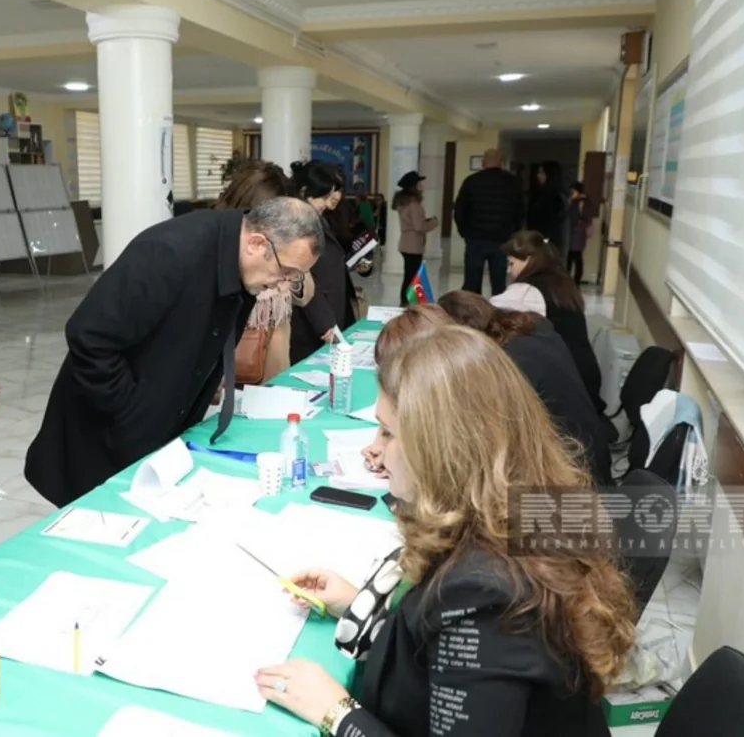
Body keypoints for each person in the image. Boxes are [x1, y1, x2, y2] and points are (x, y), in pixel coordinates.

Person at [256, 325, 635, 736]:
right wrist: (355, 603)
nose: (376, 449)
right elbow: (438, 646)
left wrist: (336, 711)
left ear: (440, 448)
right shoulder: (508, 515)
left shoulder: (485, 593)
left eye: (388, 432)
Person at [24, 198, 324, 507]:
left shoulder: (240, 265)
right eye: (286, 271)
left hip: (159, 441)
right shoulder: (169, 253)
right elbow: (88, 336)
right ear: (257, 244)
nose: (284, 285)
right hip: (100, 441)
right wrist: (132, 413)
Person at [437, 291, 612, 486]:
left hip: (577, 478)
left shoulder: (511, 365)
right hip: (590, 455)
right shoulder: (533, 329)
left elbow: (489, 442)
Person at [215, 160, 315, 381]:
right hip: (226, 370)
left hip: (275, 364)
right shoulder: (222, 245)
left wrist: (292, 273)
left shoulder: (286, 246)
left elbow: (305, 296)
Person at [506, 230, 604, 413]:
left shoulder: (528, 291)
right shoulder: (563, 283)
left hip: (565, 388)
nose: (508, 271)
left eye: (511, 263)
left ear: (528, 259)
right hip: (586, 376)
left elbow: (491, 311)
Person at [288, 160, 358, 364]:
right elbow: (301, 279)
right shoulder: (298, 223)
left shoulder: (322, 217)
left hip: (328, 314)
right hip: (309, 324)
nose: (331, 201)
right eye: (325, 196)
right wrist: (326, 324)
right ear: (304, 192)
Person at [453, 148, 523, 296]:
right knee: (499, 282)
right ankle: (498, 312)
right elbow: (520, 211)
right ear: (502, 162)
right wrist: (513, 232)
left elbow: (459, 210)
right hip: (502, 239)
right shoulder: (512, 183)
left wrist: (465, 232)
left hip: (476, 239)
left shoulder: (471, 181)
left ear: (483, 162)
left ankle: (471, 312)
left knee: (471, 282)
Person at [391, 171, 437, 306]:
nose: (421, 186)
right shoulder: (414, 205)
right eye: (419, 183)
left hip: (406, 243)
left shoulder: (403, 203)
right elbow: (419, 227)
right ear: (413, 187)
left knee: (409, 275)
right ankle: (406, 302)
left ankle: (405, 301)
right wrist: (434, 222)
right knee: (412, 277)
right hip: (414, 245)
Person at [526, 160, 566, 246]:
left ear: (550, 175)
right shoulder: (537, 194)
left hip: (546, 240)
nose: (538, 176)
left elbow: (553, 222)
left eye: (542, 173)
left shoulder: (555, 197)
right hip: (537, 238)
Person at [566, 180, 593, 283]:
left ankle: (576, 281)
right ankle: (568, 280)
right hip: (571, 234)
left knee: (577, 258)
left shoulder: (584, 202)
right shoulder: (572, 201)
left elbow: (587, 219)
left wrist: (578, 227)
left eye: (573, 191)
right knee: (569, 258)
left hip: (578, 235)